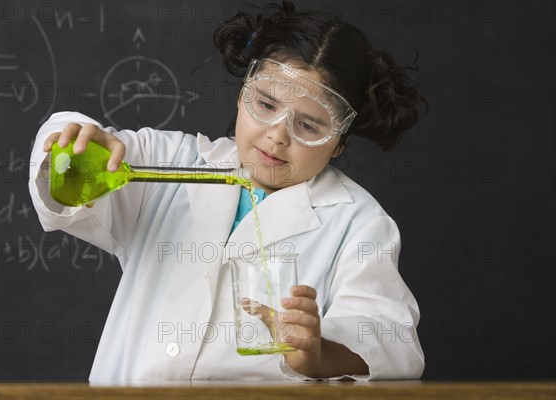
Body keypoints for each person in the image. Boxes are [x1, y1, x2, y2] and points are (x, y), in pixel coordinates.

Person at [29, 1, 426, 382]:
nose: (276, 135)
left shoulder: (357, 222)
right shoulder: (168, 160)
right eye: (266, 104)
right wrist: (74, 146)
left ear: (339, 142)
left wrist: (319, 354)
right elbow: (64, 183)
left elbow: (390, 338)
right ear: (242, 95)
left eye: (309, 126)